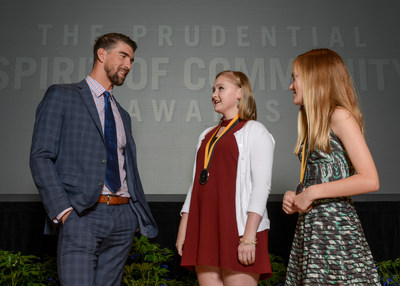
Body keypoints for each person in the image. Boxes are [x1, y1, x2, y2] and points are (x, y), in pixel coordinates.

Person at [29, 33, 158, 286]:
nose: (129, 65)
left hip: (122, 219)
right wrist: (64, 213)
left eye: (131, 60)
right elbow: (40, 157)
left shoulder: (123, 114)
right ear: (102, 55)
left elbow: (126, 168)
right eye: (123, 56)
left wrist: (132, 215)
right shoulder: (62, 95)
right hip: (82, 216)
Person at [282, 48, 380, 285]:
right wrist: (297, 197)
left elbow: (370, 179)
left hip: (335, 230)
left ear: (315, 79)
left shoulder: (340, 116)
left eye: (295, 77)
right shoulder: (314, 123)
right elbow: (322, 177)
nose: (291, 86)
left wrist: (313, 193)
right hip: (313, 229)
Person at [176, 70, 275, 285]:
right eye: (213, 89)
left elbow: (261, 187)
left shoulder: (255, 130)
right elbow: (195, 185)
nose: (214, 94)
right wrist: (185, 226)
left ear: (240, 92)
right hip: (205, 226)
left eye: (221, 88)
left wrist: (249, 237)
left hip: (238, 228)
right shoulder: (205, 135)